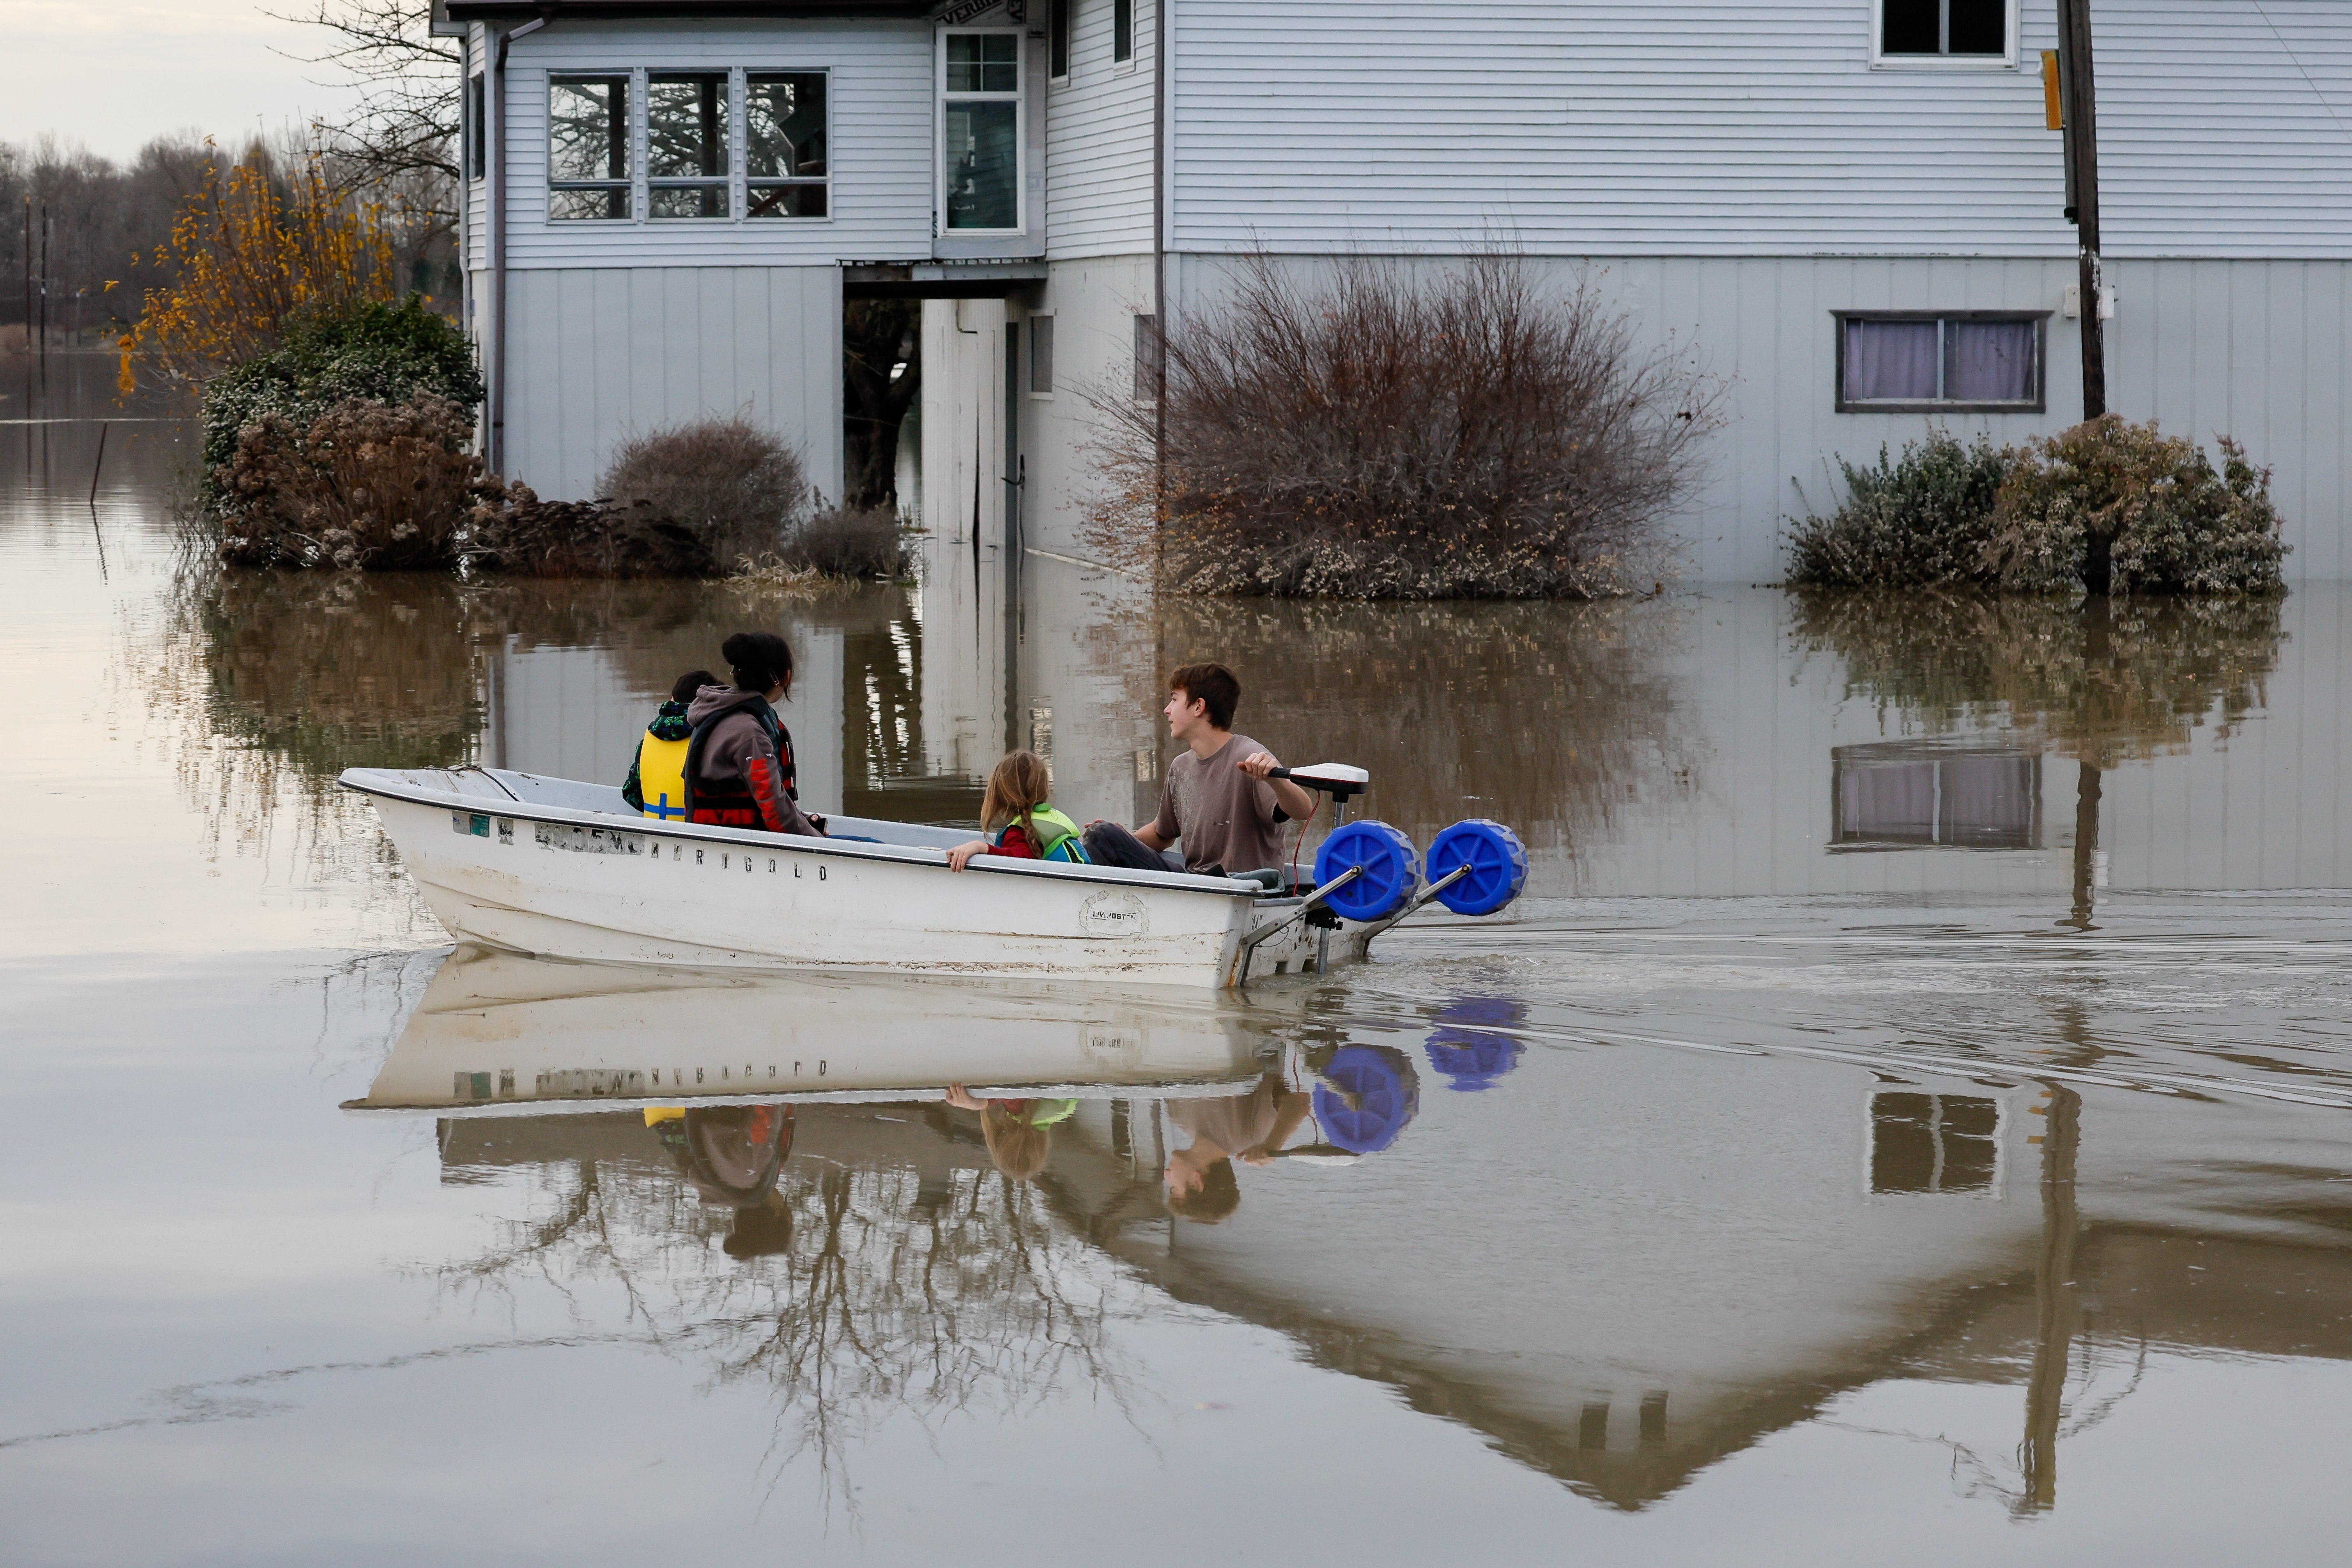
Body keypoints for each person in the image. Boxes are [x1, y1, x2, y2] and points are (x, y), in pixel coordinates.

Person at [1083, 662, 1317, 877]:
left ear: (1199, 706)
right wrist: (1122, 841)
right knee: (1102, 836)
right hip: (1195, 885)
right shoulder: (1180, 767)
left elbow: (1303, 811)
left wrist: (1276, 780)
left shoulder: (1249, 756)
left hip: (1243, 888)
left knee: (1103, 835)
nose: (1167, 710)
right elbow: (1163, 834)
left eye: (1174, 700)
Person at [683, 631, 827, 837]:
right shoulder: (750, 733)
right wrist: (819, 841)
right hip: (741, 846)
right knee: (868, 842)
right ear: (784, 677)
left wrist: (805, 821)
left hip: (716, 838)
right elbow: (775, 813)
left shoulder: (714, 713)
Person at [1162, 1071, 1314, 1224]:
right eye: (1173, 1188)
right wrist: (1272, 1145)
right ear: (1197, 1182)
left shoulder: (1177, 1116)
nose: (1166, 1175)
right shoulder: (1250, 1135)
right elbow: (1299, 1102)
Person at [944, 750, 1090, 871]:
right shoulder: (1051, 819)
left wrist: (981, 847)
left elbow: (1020, 859)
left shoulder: (1018, 831)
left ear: (999, 795)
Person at [621, 669, 716, 820]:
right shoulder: (712, 738)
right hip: (694, 833)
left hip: (652, 831)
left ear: (673, 698)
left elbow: (631, 794)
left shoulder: (648, 738)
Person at [943, 1084, 1077, 1180]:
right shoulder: (1021, 1112)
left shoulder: (1061, 1112)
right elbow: (1011, 1086)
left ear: (1043, 1144)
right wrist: (982, 1103)